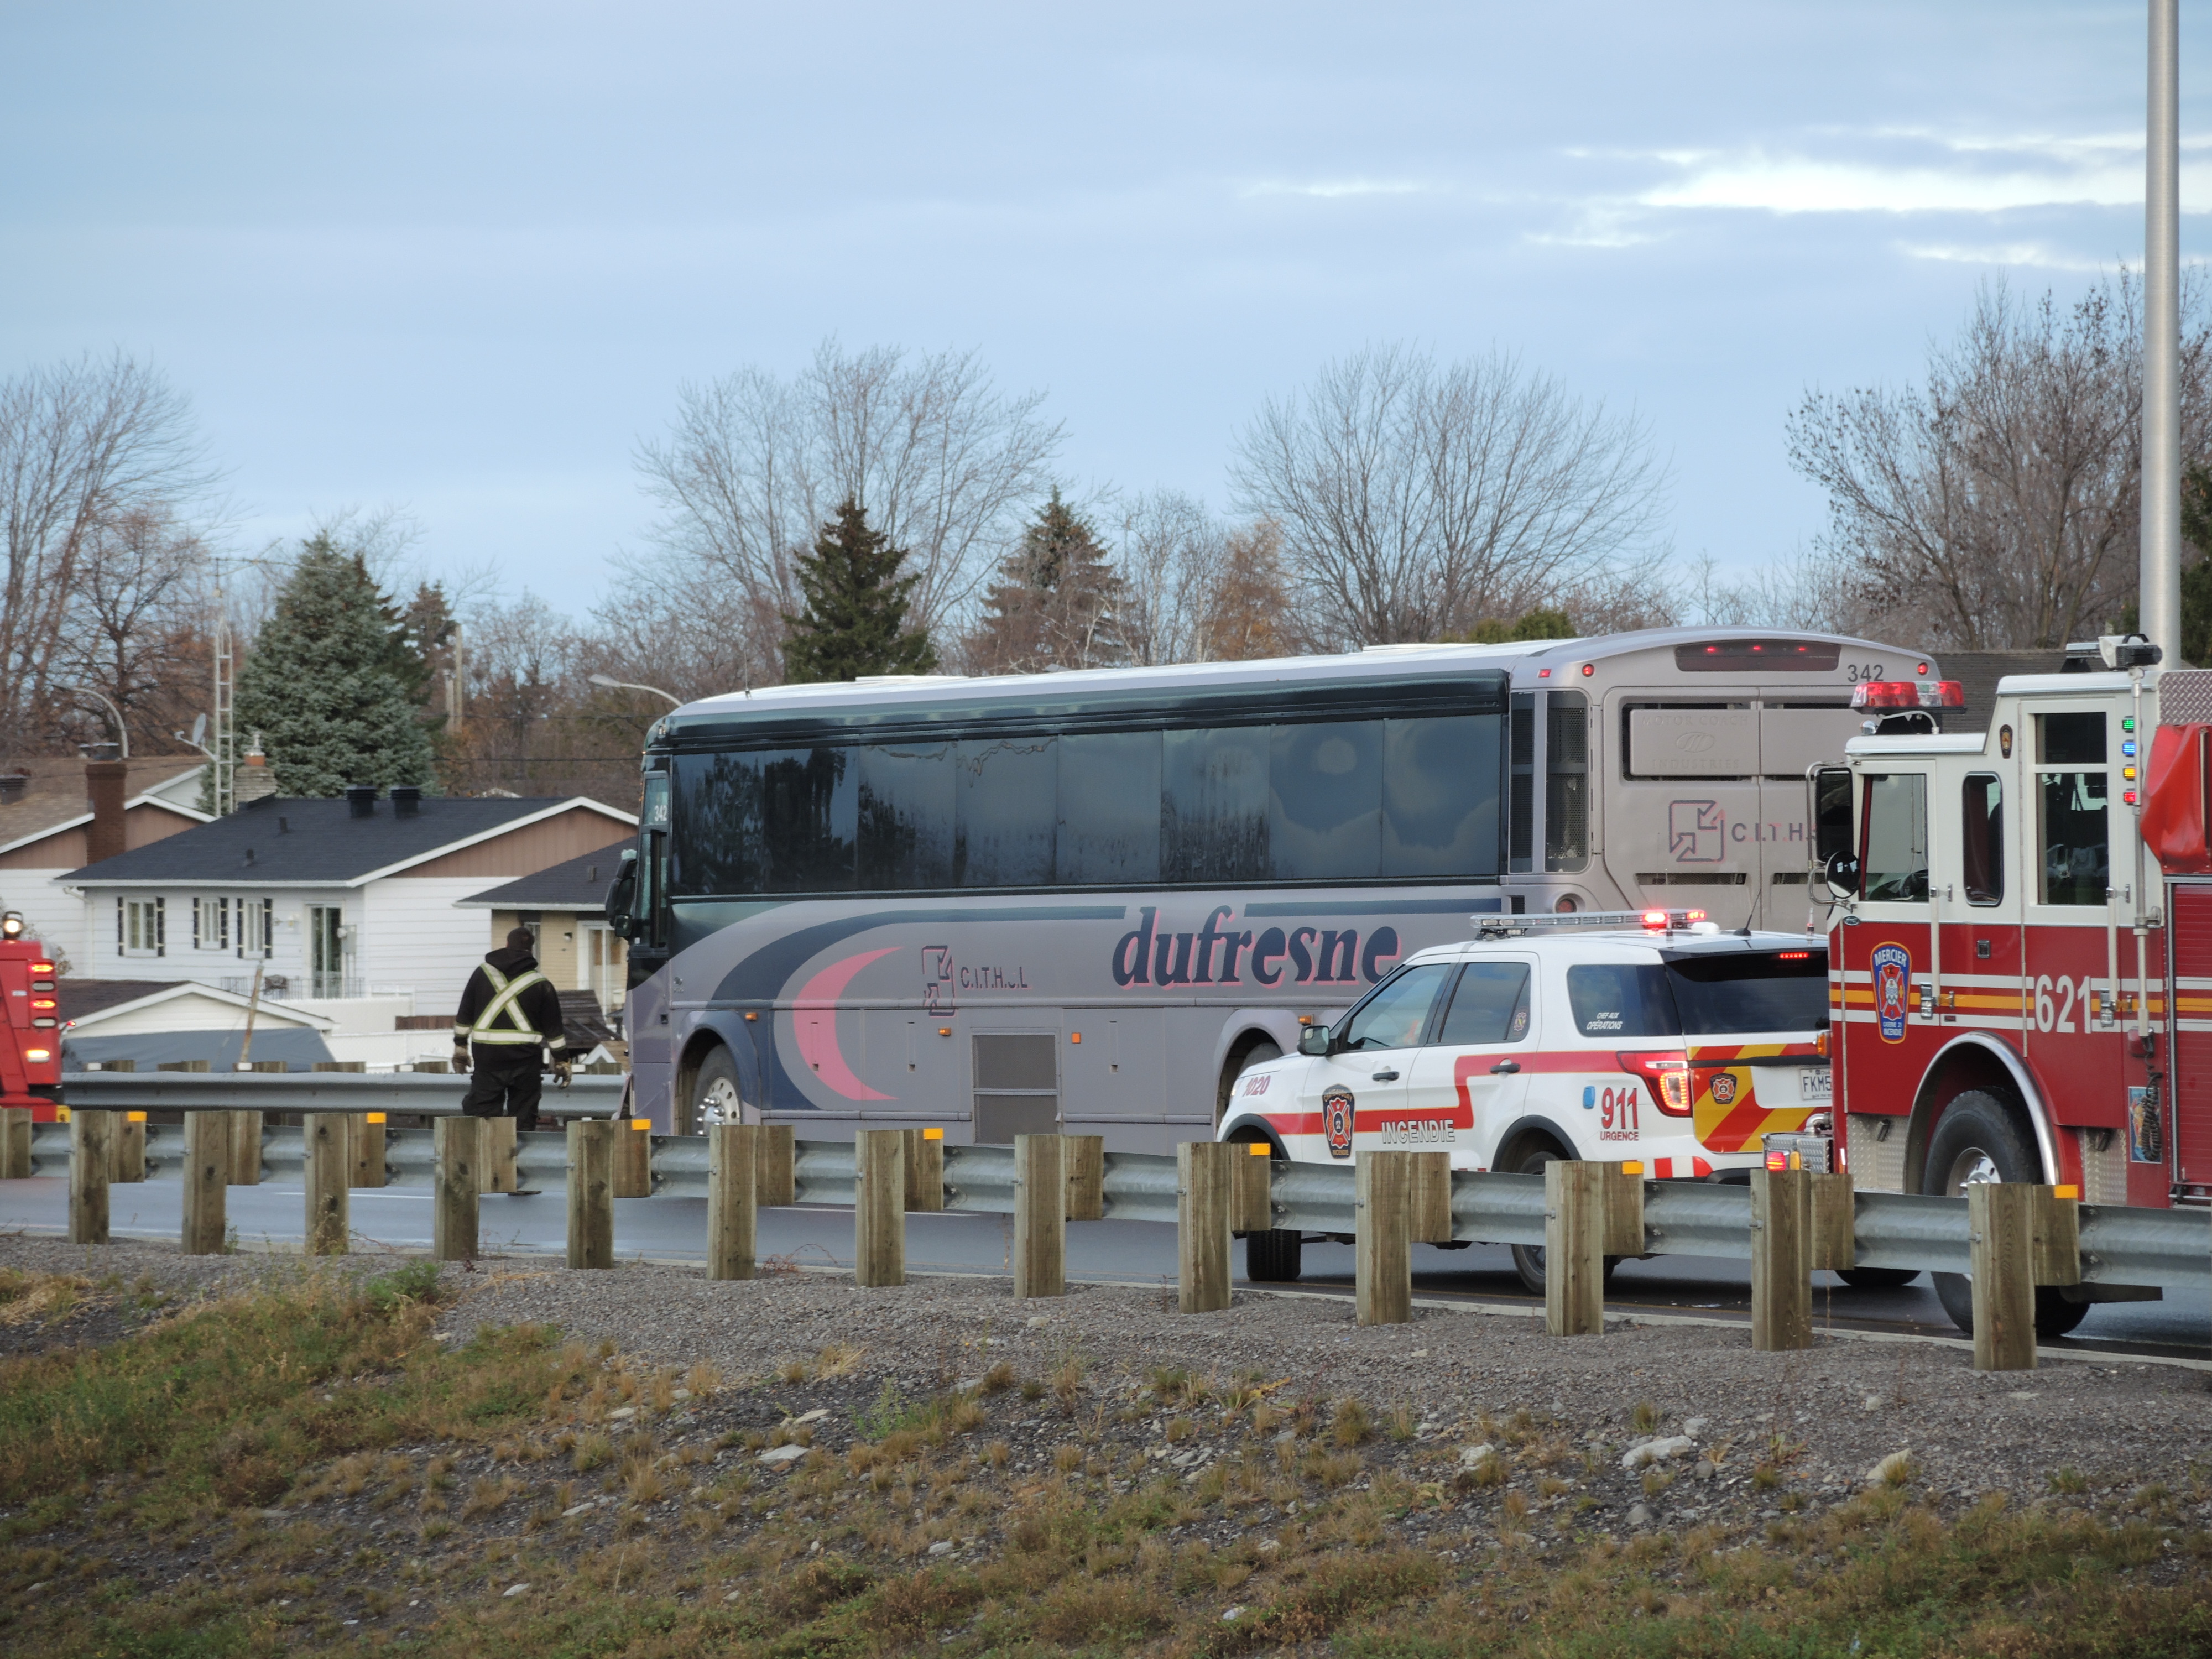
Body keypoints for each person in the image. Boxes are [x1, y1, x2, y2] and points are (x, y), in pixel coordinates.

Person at [452, 927, 571, 1151]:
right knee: (524, 1119)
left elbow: (464, 1014)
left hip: (488, 1059)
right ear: (531, 950)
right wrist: (562, 1061)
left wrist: (460, 1048)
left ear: (507, 945)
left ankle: (486, 1163)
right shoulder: (541, 983)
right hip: (525, 1061)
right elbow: (554, 1031)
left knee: (483, 1116)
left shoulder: (482, 974)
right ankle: (519, 1167)